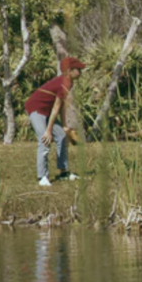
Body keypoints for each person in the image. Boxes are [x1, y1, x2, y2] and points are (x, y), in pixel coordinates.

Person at [25, 56, 85, 186]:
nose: (81, 72)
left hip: (47, 111)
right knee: (44, 139)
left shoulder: (69, 82)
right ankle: (42, 177)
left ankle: (63, 173)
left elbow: (61, 105)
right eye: (78, 69)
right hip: (36, 108)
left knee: (62, 136)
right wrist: (48, 131)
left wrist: (64, 126)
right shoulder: (64, 83)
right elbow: (56, 107)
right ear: (69, 71)